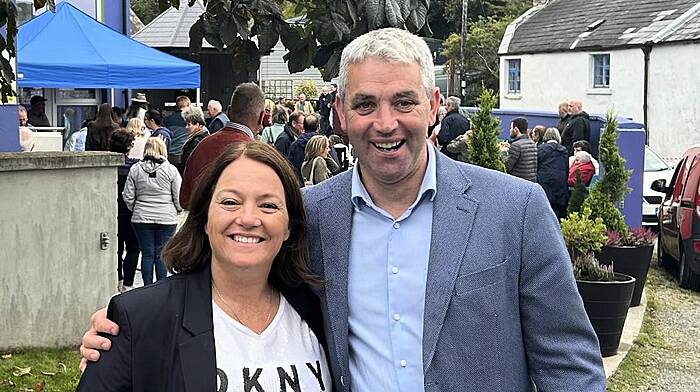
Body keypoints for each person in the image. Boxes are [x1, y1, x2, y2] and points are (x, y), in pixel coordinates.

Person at [81, 28, 606, 391]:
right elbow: (235, 273)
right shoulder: (307, 216)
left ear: (434, 107)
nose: (384, 122)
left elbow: (569, 364)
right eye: (364, 104)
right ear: (339, 113)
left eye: (404, 102)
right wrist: (130, 329)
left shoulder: (515, 210)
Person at [76, 142, 330, 391]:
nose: (249, 219)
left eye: (268, 205)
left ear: (288, 227)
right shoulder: (140, 318)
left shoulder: (321, 310)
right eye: (230, 202)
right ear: (205, 219)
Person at [180, 83, 265, 209]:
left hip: (201, 224)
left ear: (229, 111)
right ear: (261, 117)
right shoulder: (256, 154)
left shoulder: (201, 146)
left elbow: (184, 200)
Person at [122, 137, 182, 285]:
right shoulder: (171, 170)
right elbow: (178, 195)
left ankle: (147, 287)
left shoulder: (135, 169)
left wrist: (136, 208)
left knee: (147, 255)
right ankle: (161, 287)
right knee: (161, 255)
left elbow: (128, 195)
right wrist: (177, 210)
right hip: (166, 218)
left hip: (141, 218)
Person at [108, 129, 141, 293]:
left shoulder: (107, 166)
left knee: (116, 247)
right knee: (134, 247)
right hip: (130, 211)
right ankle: (127, 282)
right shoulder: (135, 166)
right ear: (129, 146)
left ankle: (117, 277)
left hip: (111, 210)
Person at [536, 128, 569, 220]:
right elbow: (566, 169)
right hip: (560, 184)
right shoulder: (564, 151)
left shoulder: (540, 149)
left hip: (544, 182)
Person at [287, 114, 320, 182]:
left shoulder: (294, 145)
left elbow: (289, 166)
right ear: (318, 127)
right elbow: (336, 167)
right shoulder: (324, 143)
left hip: (300, 184)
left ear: (304, 127)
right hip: (321, 184)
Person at [505, 117, 538, 182]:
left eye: (511, 128)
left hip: (519, 182)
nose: (510, 130)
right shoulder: (533, 143)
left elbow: (507, 167)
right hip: (531, 182)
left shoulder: (516, 145)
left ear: (516, 129)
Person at [179, 106, 210, 173]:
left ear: (198, 124)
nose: (186, 127)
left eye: (189, 124)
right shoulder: (203, 136)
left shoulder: (197, 141)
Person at [163, 96, 191, 167]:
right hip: (184, 154)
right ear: (188, 104)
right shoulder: (191, 119)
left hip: (169, 155)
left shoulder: (168, 119)